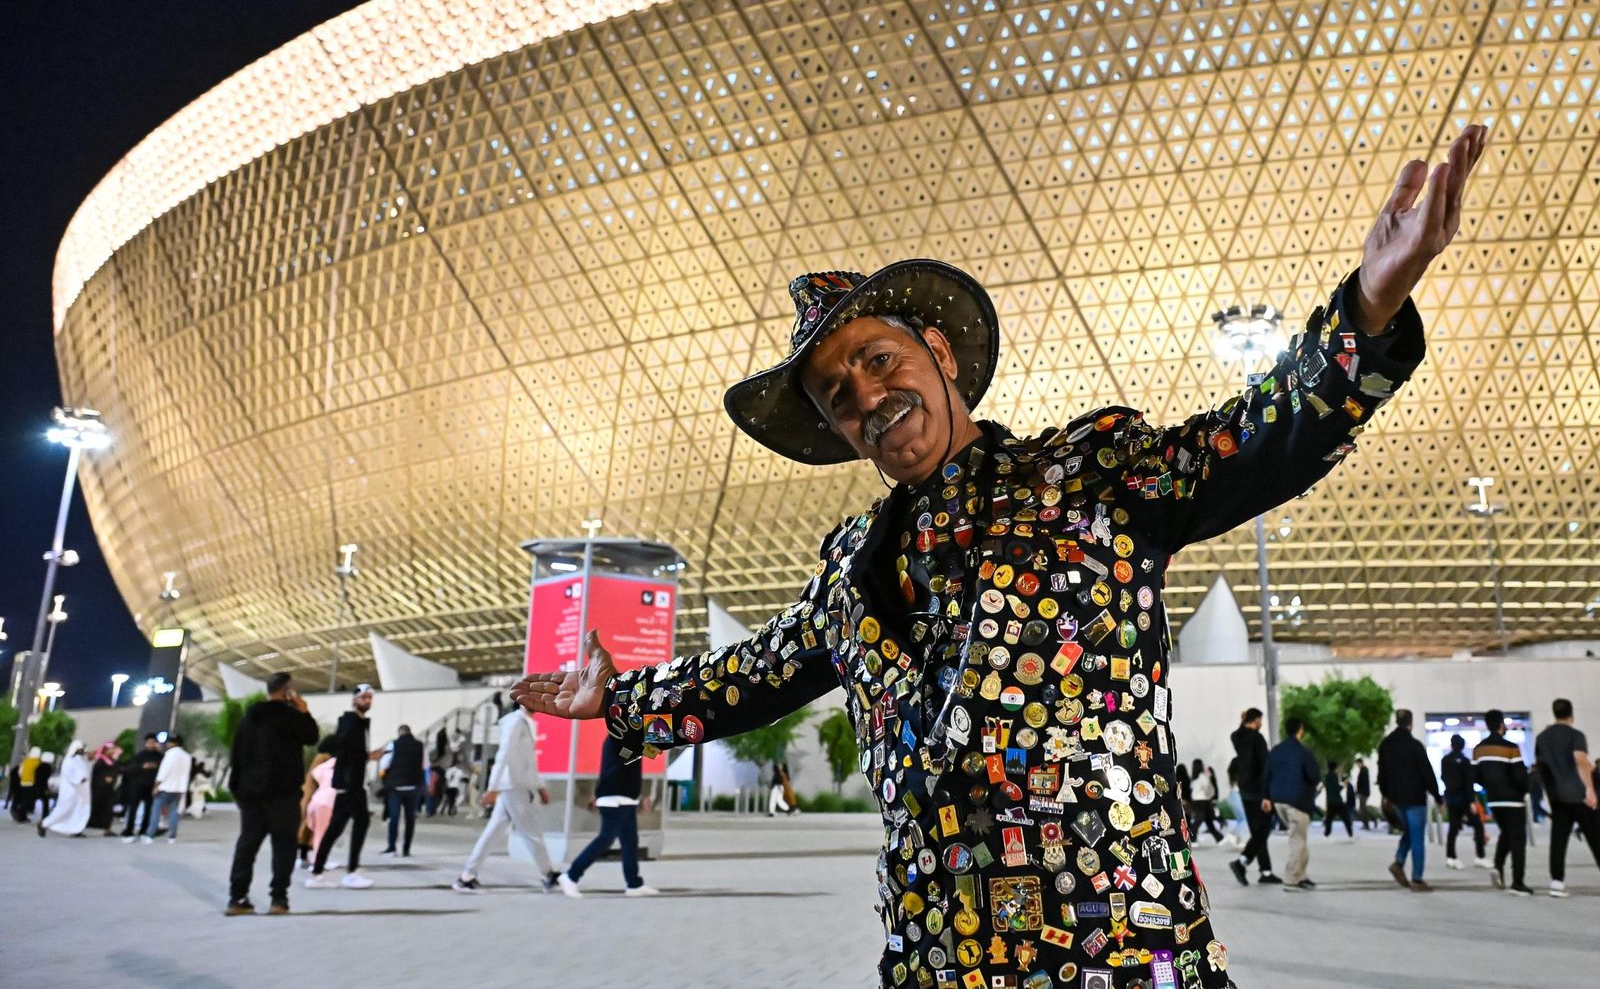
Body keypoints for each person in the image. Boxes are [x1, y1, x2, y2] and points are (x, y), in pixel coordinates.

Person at [514, 127, 1484, 984]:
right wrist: (617, 700)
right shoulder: (849, 572)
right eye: (836, 394)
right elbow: (752, 675)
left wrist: (1363, 310)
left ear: (936, 349)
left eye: (877, 358)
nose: (865, 395)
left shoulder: (1086, 475)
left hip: (1113, 953)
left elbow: (1252, 440)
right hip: (940, 959)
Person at [227, 671, 320, 915]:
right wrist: (304, 710)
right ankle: (278, 899)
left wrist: (238, 791)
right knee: (284, 847)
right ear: (288, 691)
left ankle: (237, 899)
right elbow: (312, 737)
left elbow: (236, 757)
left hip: (251, 794)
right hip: (283, 794)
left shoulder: (248, 720)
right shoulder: (291, 717)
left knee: (246, 845)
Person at [453, 704, 559, 893]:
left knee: (493, 832)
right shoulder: (515, 722)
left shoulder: (525, 723)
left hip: (515, 785)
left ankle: (467, 876)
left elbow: (529, 761)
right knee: (531, 832)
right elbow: (504, 755)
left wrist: (539, 786)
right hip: (511, 786)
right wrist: (492, 788)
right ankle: (548, 874)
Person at [556, 734, 657, 898]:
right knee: (605, 838)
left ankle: (634, 884)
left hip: (626, 797)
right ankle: (571, 876)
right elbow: (630, 755)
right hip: (613, 796)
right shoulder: (618, 737)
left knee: (630, 841)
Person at [307, 683, 383, 889]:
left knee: (335, 829)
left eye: (369, 698)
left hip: (349, 784)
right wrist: (369, 756)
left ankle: (317, 873)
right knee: (359, 824)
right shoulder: (351, 724)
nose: (367, 701)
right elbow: (345, 752)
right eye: (363, 698)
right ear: (354, 700)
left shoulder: (358, 723)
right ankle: (351, 872)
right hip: (350, 785)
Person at [1535, 697, 1600, 899]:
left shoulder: (1542, 737)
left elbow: (1541, 766)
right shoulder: (1575, 735)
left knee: (1558, 840)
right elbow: (1580, 760)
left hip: (1557, 796)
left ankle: (1557, 881)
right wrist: (1590, 789)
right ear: (1571, 715)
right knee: (1595, 836)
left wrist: (1550, 791)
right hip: (1578, 794)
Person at [1377, 708, 1440, 891]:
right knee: (1417, 836)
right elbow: (1426, 772)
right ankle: (1417, 879)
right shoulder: (1415, 746)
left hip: (1395, 799)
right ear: (1410, 723)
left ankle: (1399, 862)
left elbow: (1382, 774)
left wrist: (1386, 794)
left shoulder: (1385, 745)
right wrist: (1437, 795)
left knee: (1410, 832)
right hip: (1415, 798)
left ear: (1397, 721)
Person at [1474, 708, 1531, 896]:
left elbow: (1476, 776)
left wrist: (1491, 788)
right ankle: (1517, 883)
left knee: (1506, 834)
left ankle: (1498, 867)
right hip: (1513, 800)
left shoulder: (1478, 749)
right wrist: (1525, 790)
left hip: (1494, 800)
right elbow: (1520, 776)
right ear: (1501, 725)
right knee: (1518, 840)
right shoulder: (1511, 748)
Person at [1228, 708, 1282, 886]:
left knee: (1257, 832)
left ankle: (1265, 871)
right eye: (1260, 720)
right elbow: (1265, 767)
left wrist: (1243, 720)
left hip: (1245, 790)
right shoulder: (1257, 739)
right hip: (1259, 791)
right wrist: (1268, 795)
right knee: (1263, 829)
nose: (1261, 723)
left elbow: (1238, 731)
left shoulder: (1237, 737)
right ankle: (1242, 861)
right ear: (1256, 720)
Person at [1266, 717, 1320, 890]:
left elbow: (1267, 775)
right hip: (1298, 802)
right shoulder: (1303, 752)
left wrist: (1267, 797)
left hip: (1278, 802)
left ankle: (1301, 875)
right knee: (1297, 839)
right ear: (1300, 730)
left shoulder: (1276, 751)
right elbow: (1313, 776)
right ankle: (1292, 878)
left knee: (1300, 838)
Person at [1440, 733, 1488, 870]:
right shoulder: (1466, 762)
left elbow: (1443, 777)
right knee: (1478, 825)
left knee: (1453, 828)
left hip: (1451, 797)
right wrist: (1472, 801)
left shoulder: (1445, 760)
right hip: (1464, 799)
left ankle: (1451, 857)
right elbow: (1469, 782)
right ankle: (1480, 856)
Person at [381, 724, 426, 856]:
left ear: (399, 733)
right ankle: (406, 849)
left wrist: (384, 778)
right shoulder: (420, 746)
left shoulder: (393, 745)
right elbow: (425, 765)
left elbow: (384, 764)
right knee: (410, 819)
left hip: (396, 787)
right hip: (413, 787)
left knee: (394, 817)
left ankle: (391, 847)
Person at [298, 735, 338, 868]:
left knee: (310, 829)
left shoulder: (320, 757)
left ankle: (305, 858)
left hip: (313, 795)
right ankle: (317, 859)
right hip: (317, 796)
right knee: (317, 830)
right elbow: (314, 779)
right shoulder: (324, 759)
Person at [39, 741, 91, 837]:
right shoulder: (69, 760)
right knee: (63, 809)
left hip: (81, 792)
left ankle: (75, 830)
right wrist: (79, 780)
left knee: (78, 810)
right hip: (70, 791)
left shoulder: (80, 761)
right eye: (81, 749)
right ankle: (44, 824)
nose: (83, 751)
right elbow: (69, 775)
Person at [149, 733, 193, 843]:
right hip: (179, 788)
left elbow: (163, 772)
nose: (167, 743)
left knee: (156, 811)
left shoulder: (169, 754)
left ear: (172, 743)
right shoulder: (187, 756)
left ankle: (150, 835)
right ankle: (172, 836)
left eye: (169, 742)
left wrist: (156, 785)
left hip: (165, 787)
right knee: (174, 812)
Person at [120, 734, 164, 841]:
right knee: (133, 809)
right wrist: (143, 767)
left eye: (153, 742)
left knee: (149, 809)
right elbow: (130, 769)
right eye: (149, 742)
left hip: (151, 786)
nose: (151, 745)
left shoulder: (160, 757)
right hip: (138, 786)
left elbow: (163, 770)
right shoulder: (140, 755)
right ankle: (129, 830)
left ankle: (143, 830)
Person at [87, 742, 122, 833]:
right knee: (97, 808)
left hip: (109, 790)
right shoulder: (100, 761)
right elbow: (97, 774)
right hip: (99, 790)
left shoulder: (113, 761)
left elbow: (116, 771)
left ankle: (107, 828)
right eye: (110, 749)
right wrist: (104, 778)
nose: (112, 751)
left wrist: (112, 777)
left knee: (109, 809)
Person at [1190, 758, 1225, 843]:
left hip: (1196, 801)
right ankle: (1191, 838)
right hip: (1203, 800)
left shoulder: (1193, 777)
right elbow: (1208, 787)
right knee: (1200, 819)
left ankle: (1219, 837)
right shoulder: (1202, 776)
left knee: (1208, 819)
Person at [1321, 761, 1354, 841]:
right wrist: (1343, 785)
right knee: (1345, 817)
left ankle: (1327, 834)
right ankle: (1350, 834)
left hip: (1330, 801)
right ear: (1335, 768)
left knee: (1329, 819)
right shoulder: (1333, 776)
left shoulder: (1327, 776)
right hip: (1337, 801)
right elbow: (1336, 788)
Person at [1354, 757, 1372, 829]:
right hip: (1363, 792)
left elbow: (1363, 783)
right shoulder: (1363, 770)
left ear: (1360, 763)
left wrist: (1360, 793)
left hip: (1364, 793)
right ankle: (1368, 822)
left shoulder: (1364, 770)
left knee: (1363, 808)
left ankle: (1367, 824)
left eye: (1357, 764)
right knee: (1363, 808)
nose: (1357, 765)